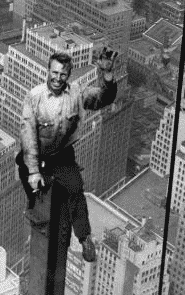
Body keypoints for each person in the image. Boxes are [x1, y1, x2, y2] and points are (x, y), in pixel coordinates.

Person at [16, 49, 117, 263]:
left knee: (75, 191)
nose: (57, 78)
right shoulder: (35, 97)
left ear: (68, 76)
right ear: (48, 71)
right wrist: (34, 171)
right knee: (27, 173)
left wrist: (107, 74)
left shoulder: (76, 95)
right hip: (37, 154)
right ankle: (34, 208)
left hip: (61, 154)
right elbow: (29, 137)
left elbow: (104, 98)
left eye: (62, 74)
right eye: (54, 73)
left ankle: (85, 238)